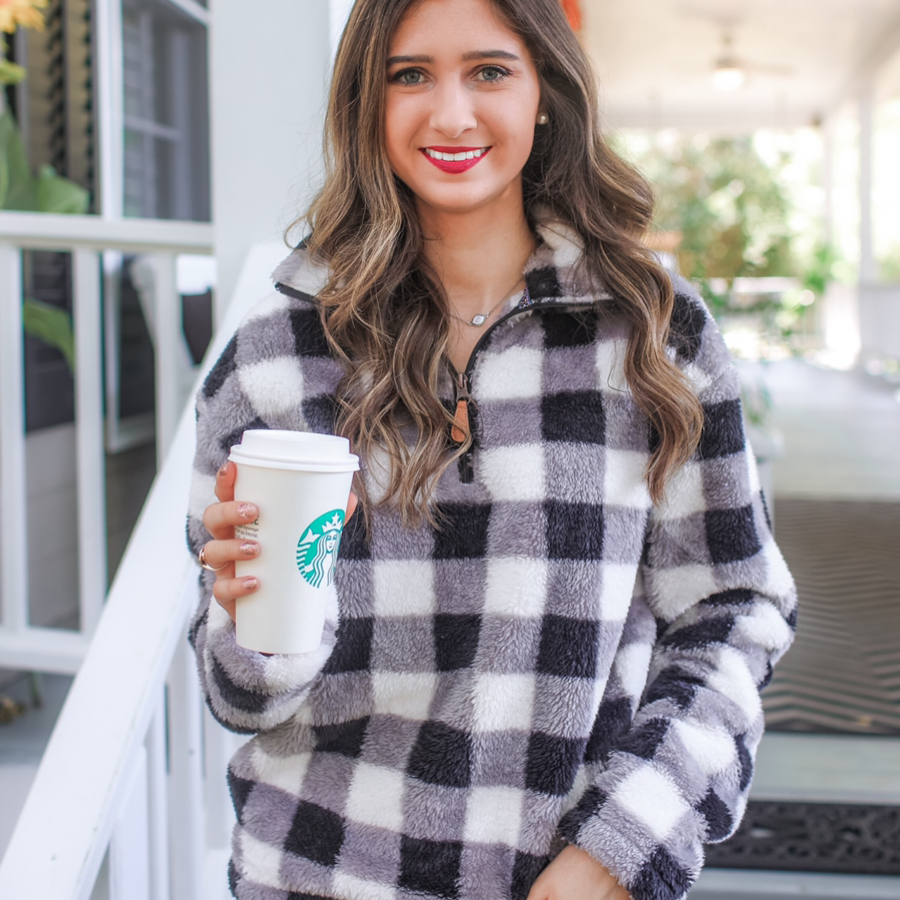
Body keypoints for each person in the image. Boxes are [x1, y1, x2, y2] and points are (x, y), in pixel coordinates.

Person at [187, 1, 797, 898]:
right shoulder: (278, 356)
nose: (451, 115)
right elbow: (241, 700)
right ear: (368, 99)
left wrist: (619, 850)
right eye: (410, 75)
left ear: (545, 89)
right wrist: (253, 620)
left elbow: (734, 608)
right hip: (317, 871)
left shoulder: (653, 335)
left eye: (489, 71)